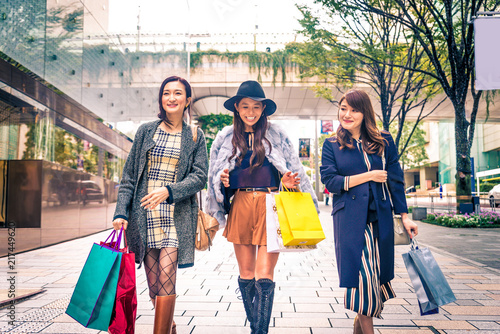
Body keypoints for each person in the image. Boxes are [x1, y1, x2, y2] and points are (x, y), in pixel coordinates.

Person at [205, 80, 319, 334]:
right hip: (241, 206)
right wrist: (223, 182)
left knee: (264, 275)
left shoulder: (276, 134)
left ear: (263, 109)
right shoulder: (224, 137)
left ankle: (259, 331)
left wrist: (288, 182)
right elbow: (216, 182)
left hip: (271, 205)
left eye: (256, 107)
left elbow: (291, 170)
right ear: (236, 107)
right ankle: (257, 327)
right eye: (245, 106)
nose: (250, 112)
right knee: (246, 274)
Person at [112, 76, 208, 334]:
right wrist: (121, 212)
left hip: (175, 217)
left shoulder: (196, 136)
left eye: (178, 93)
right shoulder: (146, 131)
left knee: (167, 278)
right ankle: (170, 327)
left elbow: (200, 177)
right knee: (154, 286)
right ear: (161, 98)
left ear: (187, 100)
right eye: (167, 93)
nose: (172, 98)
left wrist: (169, 191)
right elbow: (130, 176)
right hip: (144, 216)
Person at [320, 89, 418, 334]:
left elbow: (395, 180)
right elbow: (331, 181)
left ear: (365, 112)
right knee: (362, 275)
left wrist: (404, 216)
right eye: (343, 108)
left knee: (376, 275)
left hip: (380, 217)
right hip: (350, 219)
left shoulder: (384, 141)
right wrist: (369, 176)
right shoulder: (332, 144)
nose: (347, 114)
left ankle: (359, 323)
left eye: (354, 109)